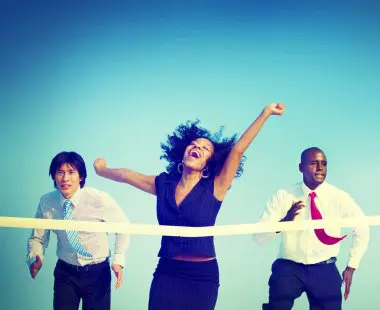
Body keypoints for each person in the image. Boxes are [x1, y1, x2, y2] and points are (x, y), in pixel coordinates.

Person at [94, 103, 285, 310]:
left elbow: (238, 151)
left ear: (209, 163)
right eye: (193, 144)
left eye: (205, 148)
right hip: (167, 270)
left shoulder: (216, 186)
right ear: (182, 152)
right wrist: (101, 170)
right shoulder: (164, 184)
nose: (197, 148)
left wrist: (265, 113)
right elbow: (127, 175)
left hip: (202, 276)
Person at [254, 147, 370, 310]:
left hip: (324, 268)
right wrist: (284, 222)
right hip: (290, 267)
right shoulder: (283, 195)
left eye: (324, 164)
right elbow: (259, 237)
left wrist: (352, 266)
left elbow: (362, 228)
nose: (320, 168)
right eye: (314, 163)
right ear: (301, 167)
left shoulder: (339, 197)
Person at [26, 151, 130, 310]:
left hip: (97, 272)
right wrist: (36, 256)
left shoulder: (99, 199)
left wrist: (118, 260)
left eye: (71, 172)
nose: (65, 178)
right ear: (54, 176)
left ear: (81, 177)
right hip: (65, 273)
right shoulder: (47, 201)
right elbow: (38, 237)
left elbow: (123, 225)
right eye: (60, 172)